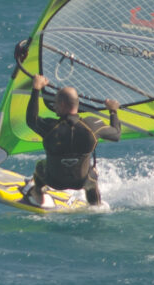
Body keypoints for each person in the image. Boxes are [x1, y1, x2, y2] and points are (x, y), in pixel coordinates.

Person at [20, 74, 120, 207]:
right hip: (81, 182)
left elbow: (31, 120)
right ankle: (95, 205)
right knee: (92, 176)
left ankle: (38, 193)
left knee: (40, 165)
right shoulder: (92, 126)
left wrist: (36, 88)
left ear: (62, 104)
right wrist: (113, 111)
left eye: (55, 103)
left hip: (53, 180)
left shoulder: (51, 127)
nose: (54, 106)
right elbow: (116, 134)